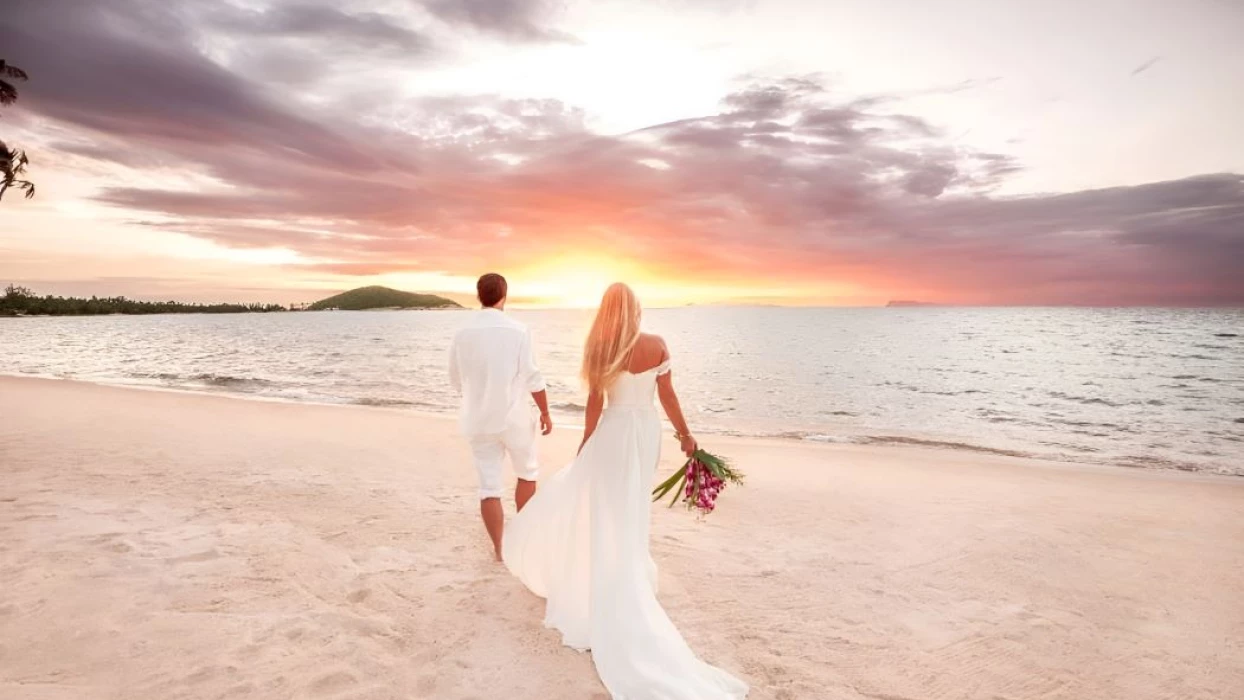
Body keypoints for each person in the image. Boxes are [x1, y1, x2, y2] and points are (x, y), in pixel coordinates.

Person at [503, 282, 748, 699]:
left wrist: (586, 444)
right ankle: (627, 570)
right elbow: (667, 396)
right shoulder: (656, 344)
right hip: (643, 432)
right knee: (632, 505)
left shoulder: (600, 347)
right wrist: (685, 436)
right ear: (635, 309)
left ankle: (610, 571)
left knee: (605, 506)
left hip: (613, 433)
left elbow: (596, 404)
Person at [448, 273, 552, 561]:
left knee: (489, 487)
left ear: (479, 295)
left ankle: (499, 549)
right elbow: (533, 377)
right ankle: (525, 541)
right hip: (515, 418)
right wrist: (545, 411)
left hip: (479, 420)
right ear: (504, 295)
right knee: (527, 473)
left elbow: (455, 379)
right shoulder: (519, 331)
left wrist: (477, 398)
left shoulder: (462, 333)